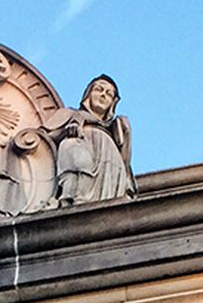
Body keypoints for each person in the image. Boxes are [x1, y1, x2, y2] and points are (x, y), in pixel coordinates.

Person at [42, 75, 134, 207]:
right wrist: (68, 130)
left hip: (109, 165)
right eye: (99, 89)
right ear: (88, 94)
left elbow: (125, 166)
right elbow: (46, 138)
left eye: (109, 94)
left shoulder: (115, 129)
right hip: (80, 152)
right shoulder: (69, 114)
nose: (103, 95)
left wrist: (126, 135)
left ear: (112, 103)